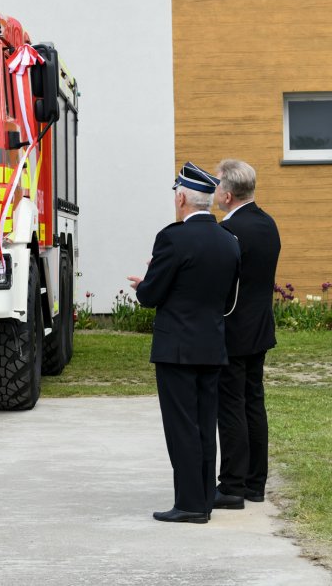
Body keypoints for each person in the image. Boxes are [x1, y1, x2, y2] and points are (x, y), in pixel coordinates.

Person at [128, 162, 240, 524]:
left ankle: (190, 504)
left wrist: (142, 284)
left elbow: (152, 294)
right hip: (212, 344)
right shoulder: (229, 240)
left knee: (181, 426)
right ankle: (205, 497)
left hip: (177, 348)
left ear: (181, 198)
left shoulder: (172, 238)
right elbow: (226, 301)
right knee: (206, 423)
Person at [212, 159, 282, 510]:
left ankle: (232, 487)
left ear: (227, 194)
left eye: (217, 188)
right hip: (259, 326)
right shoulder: (268, 224)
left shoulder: (230, 231)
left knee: (231, 409)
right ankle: (255, 483)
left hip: (233, 329)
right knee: (254, 404)